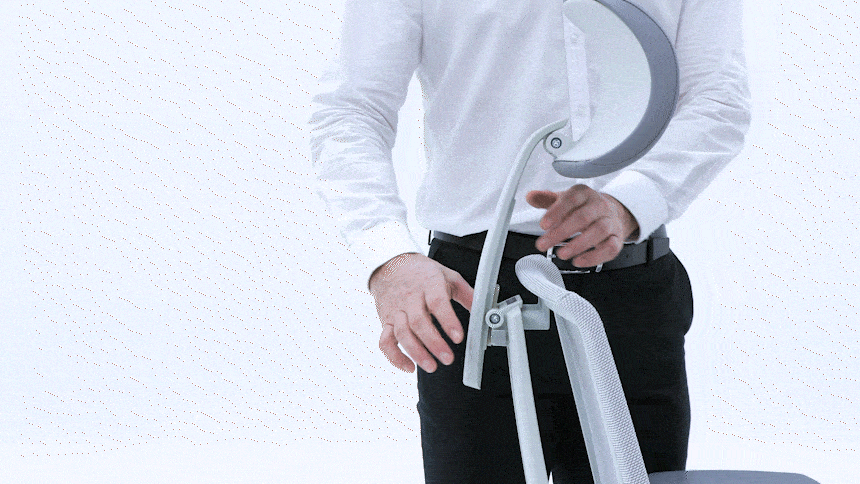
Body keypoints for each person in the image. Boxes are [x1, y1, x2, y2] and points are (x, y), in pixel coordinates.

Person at [309, 0, 751, 482]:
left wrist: (629, 204)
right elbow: (351, 110)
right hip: (474, 294)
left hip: (632, 300)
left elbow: (717, 97)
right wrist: (388, 255)